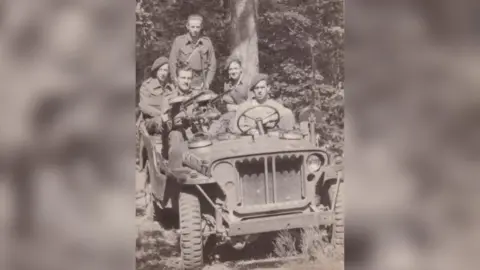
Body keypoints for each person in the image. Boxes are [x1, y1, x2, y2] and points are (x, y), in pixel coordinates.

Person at [229, 73, 296, 135]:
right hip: (251, 142)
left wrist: (268, 119)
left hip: (272, 142)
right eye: (257, 88)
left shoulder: (275, 105)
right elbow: (236, 128)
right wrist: (248, 131)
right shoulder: (244, 107)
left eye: (262, 87)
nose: (260, 91)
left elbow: (287, 114)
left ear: (268, 88)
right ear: (253, 90)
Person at [168, 14, 216, 91]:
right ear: (187, 26)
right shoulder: (179, 41)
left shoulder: (207, 42)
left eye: (197, 27)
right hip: (183, 82)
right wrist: (176, 82)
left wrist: (207, 82)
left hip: (200, 83)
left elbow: (212, 65)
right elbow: (172, 63)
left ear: (201, 27)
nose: (195, 30)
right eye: (192, 27)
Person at [208, 57, 249, 136]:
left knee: (234, 128)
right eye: (230, 69)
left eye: (235, 68)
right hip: (233, 114)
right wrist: (216, 98)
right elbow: (228, 103)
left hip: (247, 114)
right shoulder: (228, 84)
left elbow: (253, 103)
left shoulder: (248, 82)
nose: (233, 71)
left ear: (241, 69)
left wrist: (236, 107)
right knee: (216, 126)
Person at [138, 56, 175, 135]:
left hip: (167, 121)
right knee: (158, 121)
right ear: (156, 71)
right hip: (150, 121)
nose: (163, 73)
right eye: (160, 70)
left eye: (165, 70)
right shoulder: (146, 86)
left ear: (168, 72)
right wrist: (160, 114)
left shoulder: (170, 87)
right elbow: (143, 106)